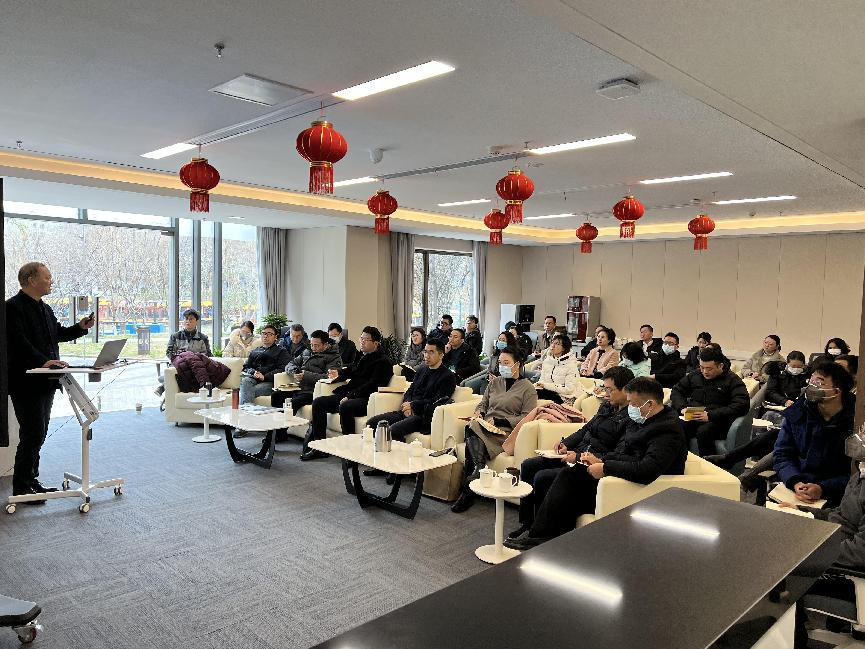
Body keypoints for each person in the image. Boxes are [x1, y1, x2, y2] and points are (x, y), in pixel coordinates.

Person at [505, 377, 686, 550]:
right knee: (553, 476)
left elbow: (646, 469)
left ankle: (542, 535)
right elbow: (625, 453)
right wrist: (600, 460)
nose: (630, 408)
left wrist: (605, 467)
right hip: (622, 475)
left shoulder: (666, 430)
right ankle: (539, 531)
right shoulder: (644, 420)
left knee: (569, 476)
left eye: (632, 404)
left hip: (635, 487)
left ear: (650, 404)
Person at [508, 366, 634, 539]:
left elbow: (616, 453)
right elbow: (585, 429)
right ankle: (528, 522)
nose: (605, 394)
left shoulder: (631, 418)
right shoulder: (607, 406)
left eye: (610, 390)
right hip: (576, 454)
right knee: (529, 465)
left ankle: (542, 530)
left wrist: (579, 457)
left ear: (625, 390)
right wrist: (566, 443)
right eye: (604, 388)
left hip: (589, 462)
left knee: (542, 477)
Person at [5, 262, 95, 503]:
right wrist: (43, 361)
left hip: (47, 380)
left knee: (40, 433)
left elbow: (58, 334)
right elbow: (18, 342)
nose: (51, 281)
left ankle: (31, 481)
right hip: (25, 381)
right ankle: (21, 488)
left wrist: (80, 327)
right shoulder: (11, 308)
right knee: (32, 433)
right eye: (47, 277)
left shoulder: (45, 308)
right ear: (31, 280)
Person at [792, 425, 865, 647]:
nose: (860, 435)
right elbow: (841, 516)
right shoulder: (861, 472)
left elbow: (860, 552)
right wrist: (804, 513)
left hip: (853, 575)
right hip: (841, 558)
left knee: (782, 579)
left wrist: (813, 550)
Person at [451, 347, 538, 513]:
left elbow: (528, 417)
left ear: (517, 364)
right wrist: (479, 412)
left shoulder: (528, 388)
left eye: (506, 363)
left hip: (505, 431)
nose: (502, 366)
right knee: (472, 424)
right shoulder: (494, 382)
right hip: (485, 426)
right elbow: (483, 404)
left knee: (472, 428)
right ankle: (477, 472)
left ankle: (470, 485)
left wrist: (500, 420)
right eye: (500, 363)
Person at [301, 326, 394, 461]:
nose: (362, 342)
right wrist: (339, 373)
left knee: (346, 406)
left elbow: (373, 385)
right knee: (319, 402)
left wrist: (351, 396)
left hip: (367, 399)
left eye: (366, 340)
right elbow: (353, 369)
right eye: (361, 338)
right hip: (352, 393)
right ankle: (319, 447)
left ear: (375, 343)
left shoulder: (383, 361)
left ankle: (350, 453)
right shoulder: (362, 355)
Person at [773, 361, 855, 507]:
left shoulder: (855, 421)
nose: (812, 386)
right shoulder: (799, 411)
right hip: (796, 485)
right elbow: (782, 454)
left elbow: (856, 472)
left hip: (838, 495)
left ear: (836, 392)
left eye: (819, 382)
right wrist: (795, 482)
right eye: (811, 380)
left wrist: (823, 488)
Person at [364, 339, 456, 449]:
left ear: (441, 355)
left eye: (431, 352)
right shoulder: (422, 370)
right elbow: (410, 390)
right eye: (425, 351)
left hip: (423, 416)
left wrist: (412, 405)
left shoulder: (448, 376)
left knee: (393, 430)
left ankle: (399, 459)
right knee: (372, 423)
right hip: (407, 410)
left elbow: (437, 401)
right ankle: (375, 455)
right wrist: (406, 404)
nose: (426, 355)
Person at [670, 346, 750, 456]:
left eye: (709, 369)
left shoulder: (732, 380)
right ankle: (681, 459)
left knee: (704, 432)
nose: (704, 372)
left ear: (720, 366)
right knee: (675, 425)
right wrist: (682, 407)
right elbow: (677, 390)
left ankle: (709, 462)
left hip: (718, 420)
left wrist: (711, 415)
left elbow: (742, 404)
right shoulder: (695, 375)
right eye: (702, 367)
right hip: (694, 415)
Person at [271, 329, 343, 416]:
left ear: (325, 344)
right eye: (311, 344)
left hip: (312, 391)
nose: (313, 348)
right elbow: (290, 364)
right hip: (298, 388)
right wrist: (294, 371)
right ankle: (275, 422)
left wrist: (305, 375)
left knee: (293, 403)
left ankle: (283, 423)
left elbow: (328, 377)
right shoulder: (307, 352)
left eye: (316, 346)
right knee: (276, 395)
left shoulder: (334, 357)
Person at [236, 324, 290, 420]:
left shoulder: (281, 351)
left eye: (269, 334)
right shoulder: (255, 351)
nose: (265, 336)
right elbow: (246, 367)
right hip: (253, 379)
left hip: (269, 382)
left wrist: (265, 376)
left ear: (275, 337)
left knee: (247, 391)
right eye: (264, 333)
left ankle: (244, 419)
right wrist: (253, 372)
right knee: (245, 381)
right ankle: (247, 419)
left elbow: (282, 369)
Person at [156, 308, 211, 396]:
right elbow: (169, 352)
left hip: (195, 365)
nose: (188, 321)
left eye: (191, 319)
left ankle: (162, 387)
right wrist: (179, 357)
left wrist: (194, 357)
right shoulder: (175, 336)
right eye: (186, 319)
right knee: (180, 368)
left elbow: (207, 354)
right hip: (179, 363)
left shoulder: (203, 338)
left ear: (196, 321)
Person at [534, 334, 580, 404]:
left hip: (563, 397)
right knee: (528, 393)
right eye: (552, 342)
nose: (552, 346)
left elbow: (569, 389)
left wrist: (546, 386)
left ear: (563, 348)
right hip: (547, 392)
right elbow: (542, 381)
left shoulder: (571, 366)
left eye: (557, 344)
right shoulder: (547, 361)